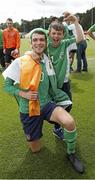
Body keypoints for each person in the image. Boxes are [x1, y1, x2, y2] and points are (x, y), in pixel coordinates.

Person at [2, 28, 84, 173]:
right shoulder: (20, 62)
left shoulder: (46, 59)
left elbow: (68, 41)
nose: (39, 43)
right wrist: (22, 93)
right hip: (29, 110)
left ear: (46, 43)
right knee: (36, 149)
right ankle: (35, 136)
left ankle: (71, 154)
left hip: (46, 105)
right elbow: (7, 86)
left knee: (69, 122)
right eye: (35, 40)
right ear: (31, 42)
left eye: (42, 40)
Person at [47, 12, 85, 139]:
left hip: (64, 82)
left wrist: (76, 22)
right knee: (54, 107)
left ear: (63, 35)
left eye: (59, 33)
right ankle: (57, 127)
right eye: (53, 33)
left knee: (68, 105)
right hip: (50, 84)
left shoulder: (64, 44)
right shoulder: (45, 46)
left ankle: (58, 125)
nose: (56, 36)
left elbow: (80, 38)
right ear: (49, 34)